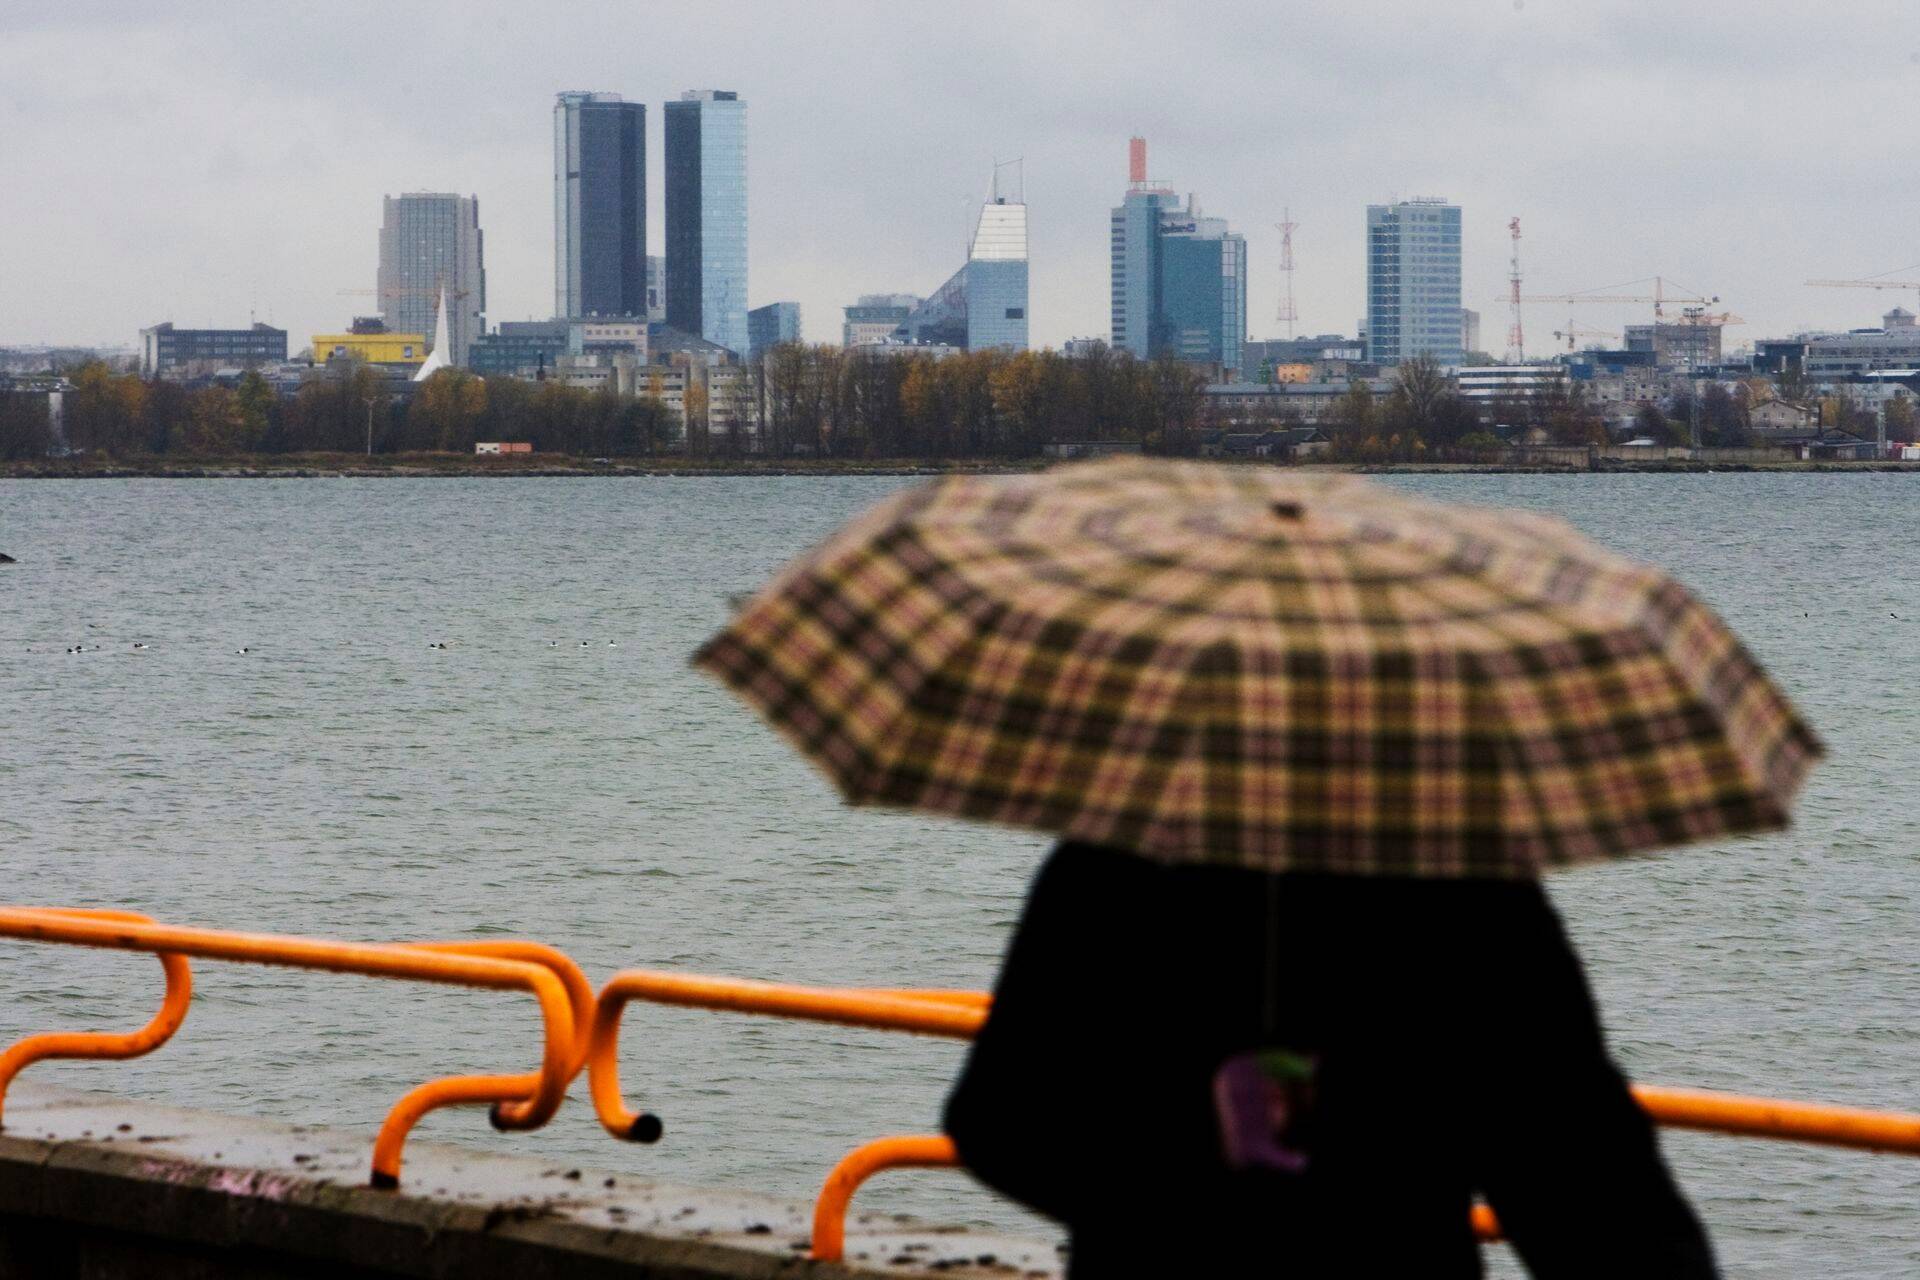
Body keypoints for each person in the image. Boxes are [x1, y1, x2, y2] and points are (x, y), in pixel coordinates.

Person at [944, 841, 1720, 1278]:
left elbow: (997, 1121)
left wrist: (1165, 1210)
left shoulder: (1107, 869)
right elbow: (1595, 1200)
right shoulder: (1470, 895)